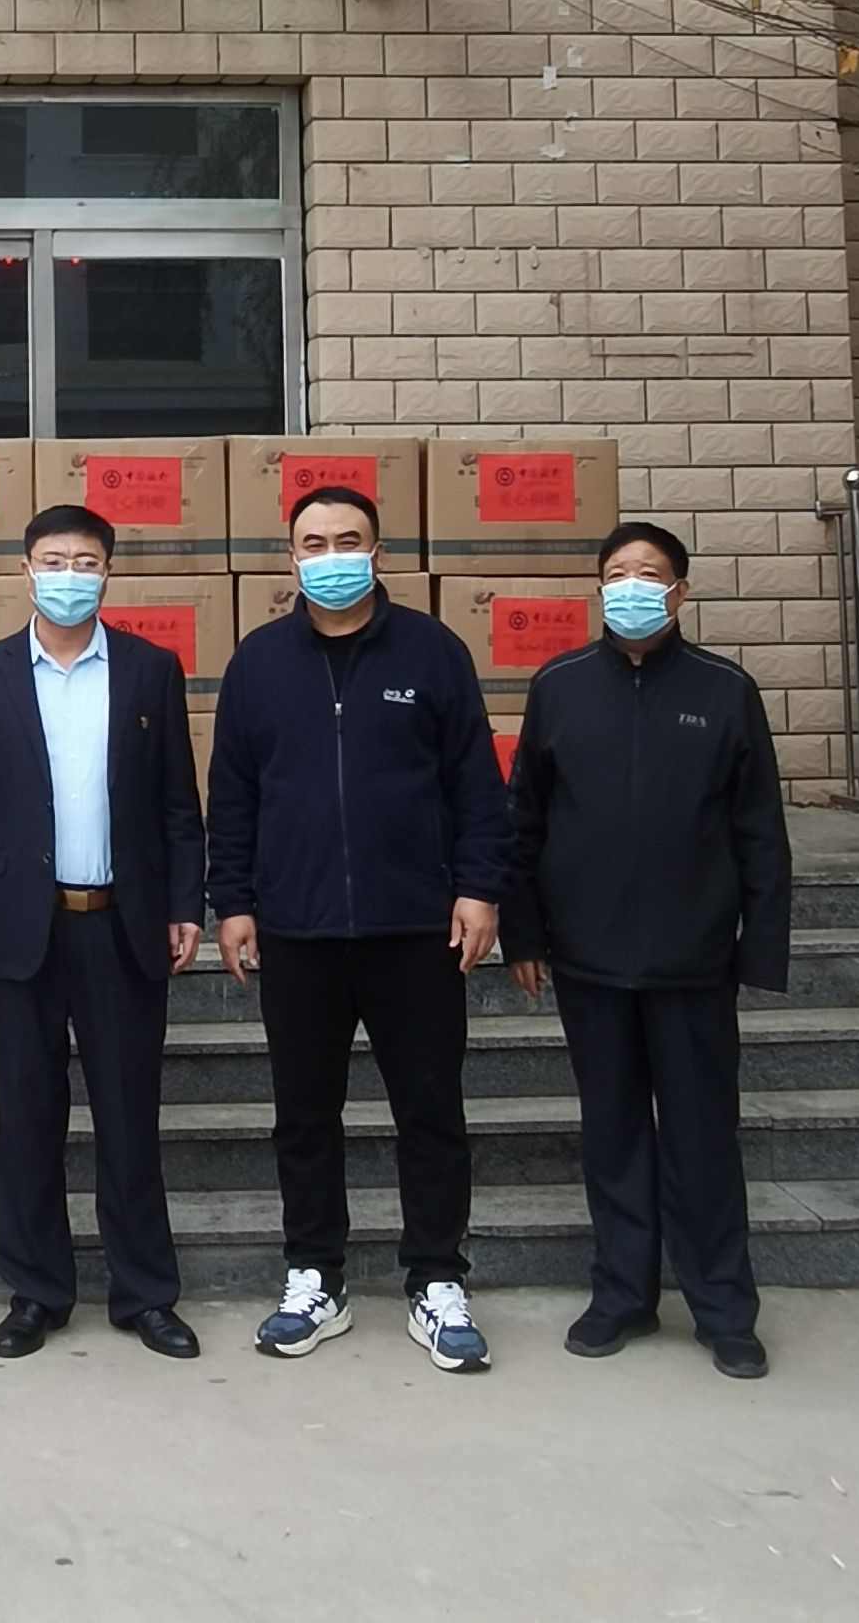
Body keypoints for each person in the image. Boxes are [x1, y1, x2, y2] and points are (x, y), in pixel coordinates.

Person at [208, 485, 510, 1372]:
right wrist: (233, 900)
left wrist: (479, 888)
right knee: (304, 1114)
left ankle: (436, 1279)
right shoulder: (259, 662)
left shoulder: (432, 650)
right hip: (296, 928)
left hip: (416, 926)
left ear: (378, 553)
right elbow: (232, 794)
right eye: (314, 543)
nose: (331, 557)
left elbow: (474, 783)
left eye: (349, 541)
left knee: (430, 1111)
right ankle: (315, 1276)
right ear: (289, 556)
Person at [503, 521, 792, 1380]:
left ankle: (722, 1307)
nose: (631, 585)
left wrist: (758, 951)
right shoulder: (559, 686)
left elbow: (759, 831)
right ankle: (621, 1295)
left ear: (679, 592)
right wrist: (523, 931)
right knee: (613, 1133)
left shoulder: (724, 690)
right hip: (585, 956)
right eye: (617, 572)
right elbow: (523, 820)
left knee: (702, 1139)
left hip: (692, 959)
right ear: (598, 588)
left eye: (650, 573)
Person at [0, 506, 207, 1361]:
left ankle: (145, 1293)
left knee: (129, 1115)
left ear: (107, 572)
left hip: (121, 924)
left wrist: (185, 903)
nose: (67, 575)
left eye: (84, 561)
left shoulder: (149, 671)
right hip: (21, 927)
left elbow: (177, 803)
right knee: (27, 1115)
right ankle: (36, 1291)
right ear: (25, 569)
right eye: (52, 560)